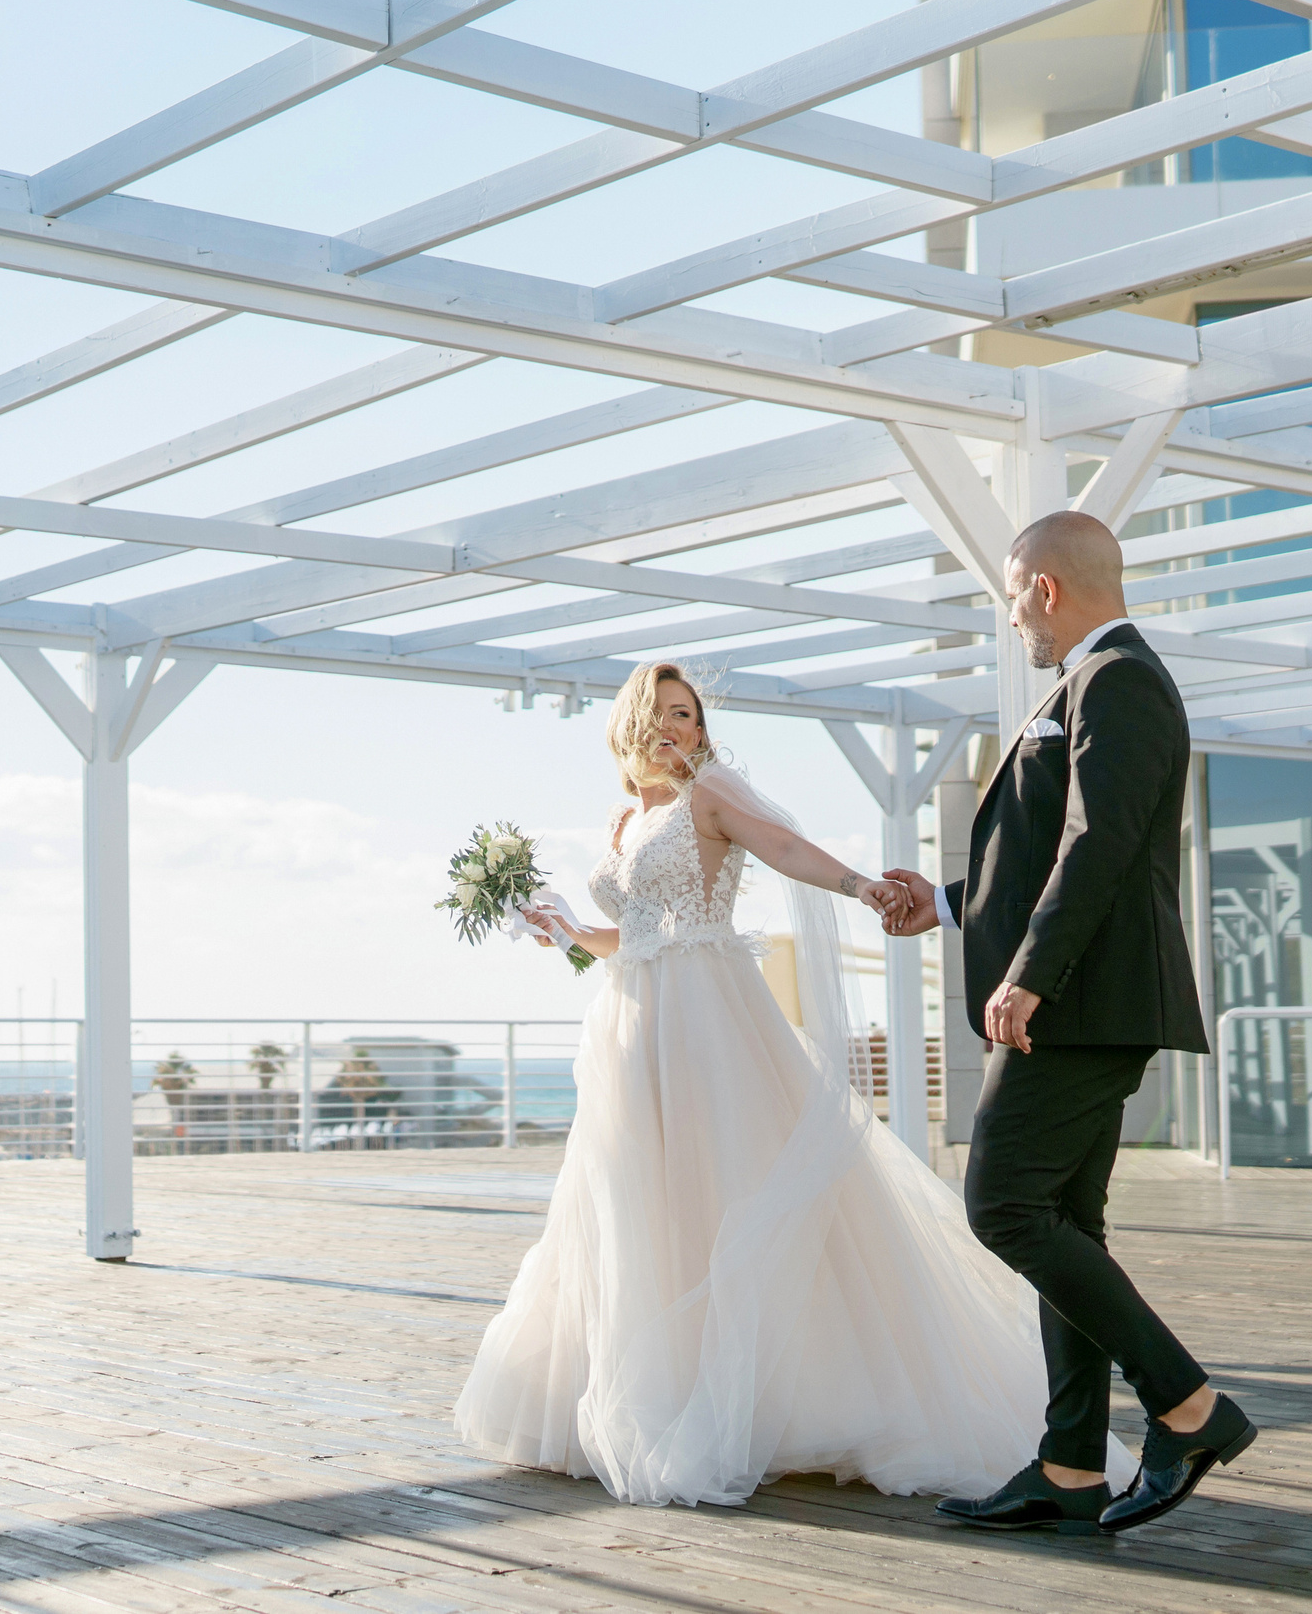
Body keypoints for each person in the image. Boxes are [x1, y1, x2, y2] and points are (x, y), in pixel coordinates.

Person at [454, 661, 1137, 1511]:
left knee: (730, 1192)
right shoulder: (626, 817)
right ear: (632, 721)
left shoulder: (709, 796)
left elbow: (778, 846)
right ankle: (656, 1392)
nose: (683, 729)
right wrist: (557, 929)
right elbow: (628, 939)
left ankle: (774, 1401)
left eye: (692, 716)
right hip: (633, 1035)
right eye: (667, 712)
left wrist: (860, 886)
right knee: (640, 1209)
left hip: (711, 1026)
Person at [881, 508, 1253, 1536]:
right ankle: (1070, 1464)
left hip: (1081, 1005)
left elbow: (1099, 845)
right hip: (1081, 999)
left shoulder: (1116, 679)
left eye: (1009, 597)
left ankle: (1188, 1408)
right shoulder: (1091, 682)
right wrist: (950, 905)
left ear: (1044, 588)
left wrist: (1030, 978)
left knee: (1000, 1205)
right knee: (1063, 1224)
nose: (1011, 620)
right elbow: (1050, 849)